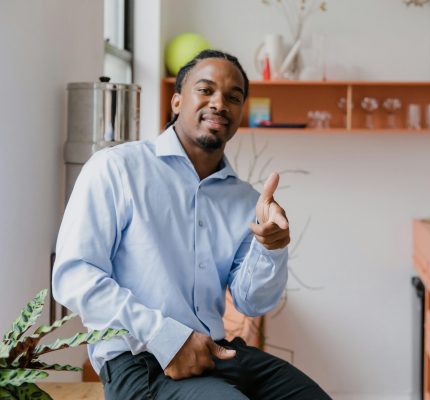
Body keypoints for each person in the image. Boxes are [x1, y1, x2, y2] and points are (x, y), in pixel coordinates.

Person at [52, 49, 331, 399]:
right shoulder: (116, 169)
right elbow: (75, 276)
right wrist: (166, 336)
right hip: (140, 360)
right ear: (177, 101)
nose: (219, 103)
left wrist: (271, 248)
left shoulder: (246, 199)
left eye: (233, 97)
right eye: (206, 90)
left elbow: (252, 303)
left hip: (217, 352)